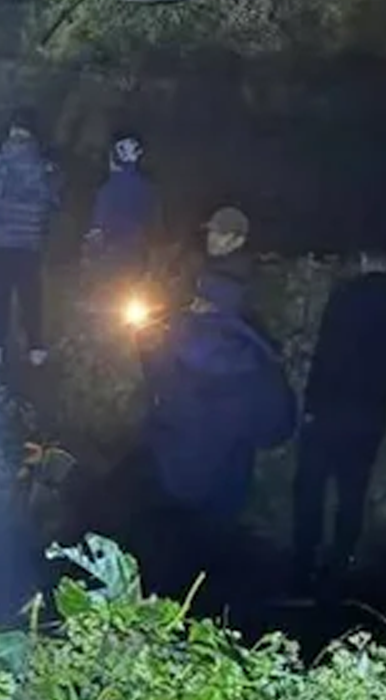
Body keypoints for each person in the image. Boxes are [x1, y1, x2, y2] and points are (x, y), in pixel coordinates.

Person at [137, 207, 297, 600]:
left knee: (161, 583)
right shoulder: (258, 359)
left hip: (171, 482)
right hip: (225, 490)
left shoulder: (169, 341)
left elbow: (156, 392)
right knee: (209, 588)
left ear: (202, 300)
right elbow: (278, 429)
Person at [291, 247, 386, 583]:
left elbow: (324, 356)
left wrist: (310, 406)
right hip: (369, 410)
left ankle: (302, 562)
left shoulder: (344, 296)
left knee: (310, 484)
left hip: (327, 406)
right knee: (353, 489)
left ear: (365, 260)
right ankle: (341, 564)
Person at [0, 108, 59, 367]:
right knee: (31, 296)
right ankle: (36, 349)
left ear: (12, 131)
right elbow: (53, 198)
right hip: (30, 242)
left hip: (0, 239)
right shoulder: (43, 164)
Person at [83, 133, 159, 281]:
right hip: (139, 257)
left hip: (112, 258)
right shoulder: (148, 188)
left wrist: (91, 253)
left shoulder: (108, 190)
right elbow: (156, 223)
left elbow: (97, 228)